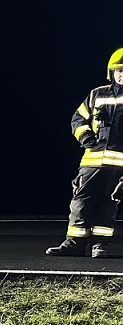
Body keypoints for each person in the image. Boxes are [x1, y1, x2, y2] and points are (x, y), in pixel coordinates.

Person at [46, 49, 123, 258]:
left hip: (119, 166)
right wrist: (86, 138)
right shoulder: (97, 94)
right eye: (119, 70)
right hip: (92, 161)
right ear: (111, 72)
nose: (122, 74)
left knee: (108, 205)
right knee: (80, 200)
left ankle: (99, 245)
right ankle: (74, 244)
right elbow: (78, 119)